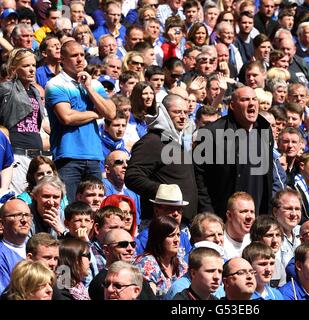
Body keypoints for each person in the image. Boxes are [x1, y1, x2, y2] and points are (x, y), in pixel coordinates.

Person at [45, 40, 116, 202]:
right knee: (69, 207)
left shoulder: (95, 84)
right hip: (67, 156)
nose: (79, 59)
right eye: (74, 55)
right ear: (61, 59)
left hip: (94, 156)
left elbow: (111, 113)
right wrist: (95, 114)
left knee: (94, 208)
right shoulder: (55, 84)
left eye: (82, 55)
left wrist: (89, 88)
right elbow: (67, 117)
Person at [194, 86, 273, 219]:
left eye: (254, 99)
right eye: (245, 100)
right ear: (232, 105)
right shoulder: (213, 133)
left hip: (257, 216)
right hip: (223, 216)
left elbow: (268, 175)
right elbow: (198, 176)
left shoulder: (265, 130)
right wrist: (209, 212)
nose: (252, 103)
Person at [125, 94, 198, 222]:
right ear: (164, 113)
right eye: (177, 112)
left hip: (181, 223)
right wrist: (164, 192)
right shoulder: (152, 141)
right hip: (160, 223)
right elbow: (132, 177)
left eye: (185, 112)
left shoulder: (176, 142)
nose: (182, 116)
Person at [0, 48, 45, 195]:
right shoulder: (6, 89)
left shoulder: (36, 91)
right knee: (17, 199)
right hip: (17, 154)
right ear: (14, 69)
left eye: (33, 65)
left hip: (37, 155)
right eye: (26, 66)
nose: (31, 69)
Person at [89, 228, 156, 300]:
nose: (130, 248)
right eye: (123, 244)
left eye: (133, 244)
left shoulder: (138, 276)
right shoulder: (100, 283)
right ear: (106, 249)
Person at [133, 215, 188, 298]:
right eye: (171, 235)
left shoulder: (181, 264)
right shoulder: (146, 264)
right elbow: (149, 297)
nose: (177, 240)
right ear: (159, 238)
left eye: (178, 235)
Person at [134, 184, 192, 259]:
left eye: (179, 209)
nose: (176, 213)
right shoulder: (144, 238)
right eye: (170, 208)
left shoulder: (183, 236)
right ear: (156, 211)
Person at [0, 199, 32, 294]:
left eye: (27, 215)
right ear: (1, 223)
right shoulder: (2, 256)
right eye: (17, 215)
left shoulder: (39, 246)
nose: (24, 220)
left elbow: (62, 283)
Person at [89, 205, 125, 273]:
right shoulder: (87, 253)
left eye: (122, 228)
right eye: (113, 228)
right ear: (97, 228)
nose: (119, 232)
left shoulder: (129, 249)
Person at [223, 192, 255, 260]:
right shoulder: (218, 241)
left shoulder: (254, 240)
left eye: (252, 212)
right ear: (229, 215)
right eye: (243, 211)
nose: (249, 217)